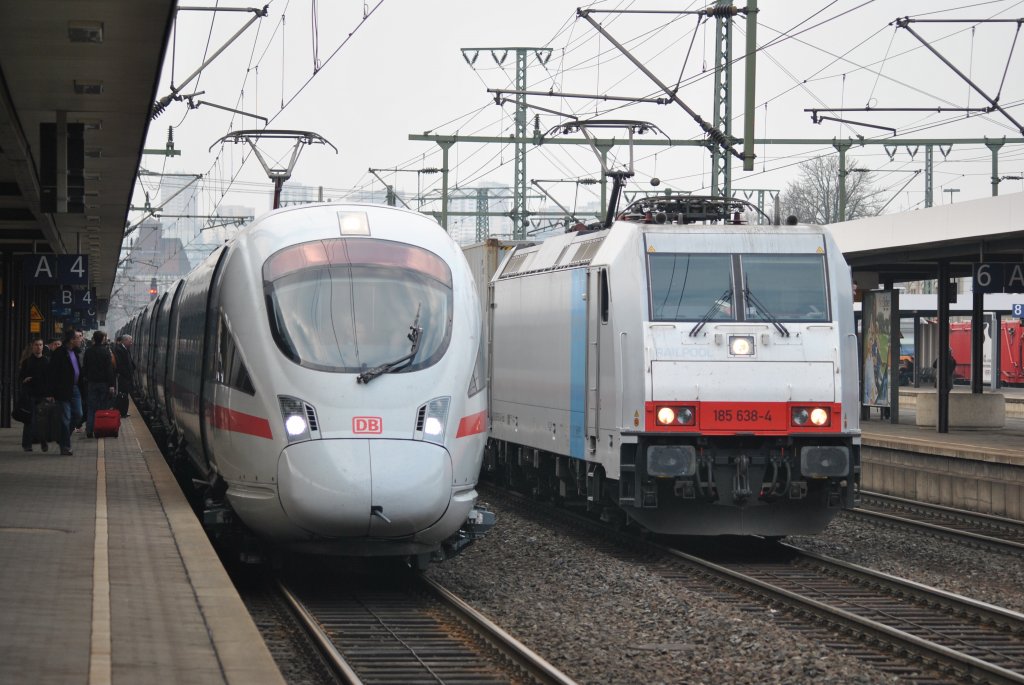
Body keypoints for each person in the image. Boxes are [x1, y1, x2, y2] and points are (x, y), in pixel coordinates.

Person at [46, 326, 84, 455]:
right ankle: (65, 446)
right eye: (79, 337)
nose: (81, 339)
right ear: (72, 340)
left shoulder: (75, 352)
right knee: (65, 418)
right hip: (63, 390)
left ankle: (63, 437)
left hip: (75, 389)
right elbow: (52, 373)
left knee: (78, 415)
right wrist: (50, 393)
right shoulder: (59, 353)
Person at [83, 330, 116, 438]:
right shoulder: (106, 352)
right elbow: (109, 370)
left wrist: (86, 379)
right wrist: (112, 385)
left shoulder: (88, 351)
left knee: (91, 407)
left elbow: (85, 367)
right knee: (102, 407)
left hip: (91, 383)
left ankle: (89, 430)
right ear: (102, 339)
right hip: (104, 383)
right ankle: (100, 429)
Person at [18, 339, 49, 452]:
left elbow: (49, 379)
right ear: (32, 347)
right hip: (30, 394)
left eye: (40, 345)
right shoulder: (27, 362)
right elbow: (20, 377)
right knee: (29, 420)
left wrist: (50, 393)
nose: (38, 347)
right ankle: (27, 444)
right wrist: (24, 380)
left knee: (42, 421)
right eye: (36, 345)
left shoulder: (46, 361)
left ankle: (43, 442)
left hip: (42, 394)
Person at [113, 334, 135, 417]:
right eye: (130, 341)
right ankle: (122, 412)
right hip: (123, 377)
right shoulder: (119, 349)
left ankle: (124, 411)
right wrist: (126, 373)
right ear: (125, 341)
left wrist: (133, 368)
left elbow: (129, 361)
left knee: (125, 394)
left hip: (126, 376)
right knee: (123, 394)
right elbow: (120, 364)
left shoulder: (125, 349)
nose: (131, 343)